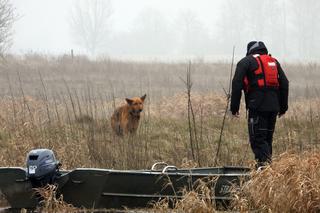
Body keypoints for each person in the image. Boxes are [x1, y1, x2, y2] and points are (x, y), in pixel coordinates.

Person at [230, 41, 289, 168]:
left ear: (249, 51)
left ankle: (265, 173)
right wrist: (283, 107)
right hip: (274, 108)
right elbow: (284, 83)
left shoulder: (246, 62)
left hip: (257, 107)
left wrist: (234, 107)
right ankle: (268, 174)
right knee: (267, 140)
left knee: (258, 141)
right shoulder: (273, 61)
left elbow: (237, 84)